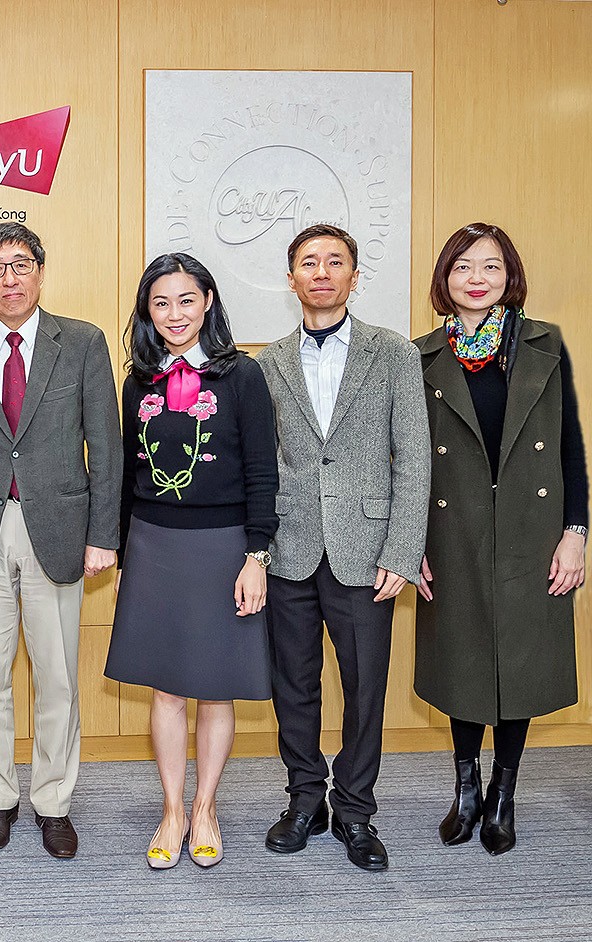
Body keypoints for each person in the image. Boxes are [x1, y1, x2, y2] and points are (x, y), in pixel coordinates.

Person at [0, 222, 122, 858]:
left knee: (57, 676)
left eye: (20, 264)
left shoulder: (83, 342)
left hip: (60, 528)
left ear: (40, 273)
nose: (8, 277)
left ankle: (53, 801)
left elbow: (107, 444)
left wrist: (104, 534)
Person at [255, 223, 430, 873]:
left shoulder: (393, 354)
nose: (321, 272)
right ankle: (305, 801)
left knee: (365, 688)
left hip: (368, 548)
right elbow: (264, 462)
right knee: (292, 687)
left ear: (355, 277)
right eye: (308, 263)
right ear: (292, 278)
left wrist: (403, 549)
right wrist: (257, 549)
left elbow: (412, 457)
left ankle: (355, 810)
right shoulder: (266, 362)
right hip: (290, 544)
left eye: (335, 262)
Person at [414, 222, 587, 856]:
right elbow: (405, 459)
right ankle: (466, 786)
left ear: (509, 276)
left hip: (529, 528)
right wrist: (410, 545)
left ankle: (504, 793)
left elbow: (570, 447)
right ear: (445, 279)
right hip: (449, 528)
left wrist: (575, 532)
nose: (477, 278)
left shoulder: (545, 344)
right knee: (462, 655)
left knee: (519, 661)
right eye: (463, 267)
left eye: (490, 266)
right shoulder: (423, 354)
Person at [107, 253, 278, 869]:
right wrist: (125, 549)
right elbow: (128, 472)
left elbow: (263, 471)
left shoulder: (243, 377)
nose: (175, 314)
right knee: (167, 688)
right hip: (155, 545)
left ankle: (206, 807)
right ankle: (172, 810)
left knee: (215, 688)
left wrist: (257, 554)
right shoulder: (138, 380)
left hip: (224, 547)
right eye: (161, 303)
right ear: (147, 312)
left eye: (186, 300)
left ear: (208, 301)